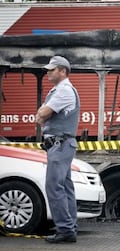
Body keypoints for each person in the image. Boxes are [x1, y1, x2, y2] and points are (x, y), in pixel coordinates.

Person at [36, 56, 80, 244]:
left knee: (54, 187)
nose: (48, 72)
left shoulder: (64, 91)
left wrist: (42, 112)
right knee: (65, 187)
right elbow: (42, 114)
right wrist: (43, 113)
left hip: (59, 144)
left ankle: (65, 230)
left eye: (51, 69)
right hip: (61, 144)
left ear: (62, 71)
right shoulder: (60, 90)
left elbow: (43, 114)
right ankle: (69, 227)